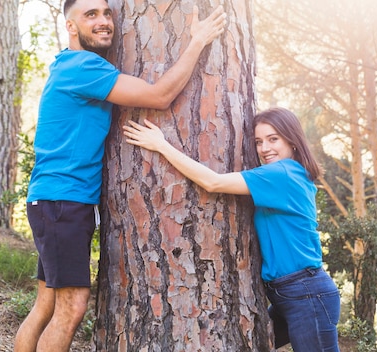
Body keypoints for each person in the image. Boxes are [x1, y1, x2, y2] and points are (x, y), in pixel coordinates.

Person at [14, 0, 226, 350]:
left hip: (51, 200)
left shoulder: (69, 66)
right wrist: (198, 41)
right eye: (90, 15)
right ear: (70, 26)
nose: (103, 21)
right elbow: (160, 96)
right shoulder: (83, 66)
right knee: (71, 308)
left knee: (46, 305)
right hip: (62, 203)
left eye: (107, 13)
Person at [123, 107, 341, 351]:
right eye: (259, 142)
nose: (265, 148)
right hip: (291, 293)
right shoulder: (289, 173)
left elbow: (212, 182)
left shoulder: (282, 173)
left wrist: (162, 146)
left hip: (305, 293)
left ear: (292, 139)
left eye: (273, 139)